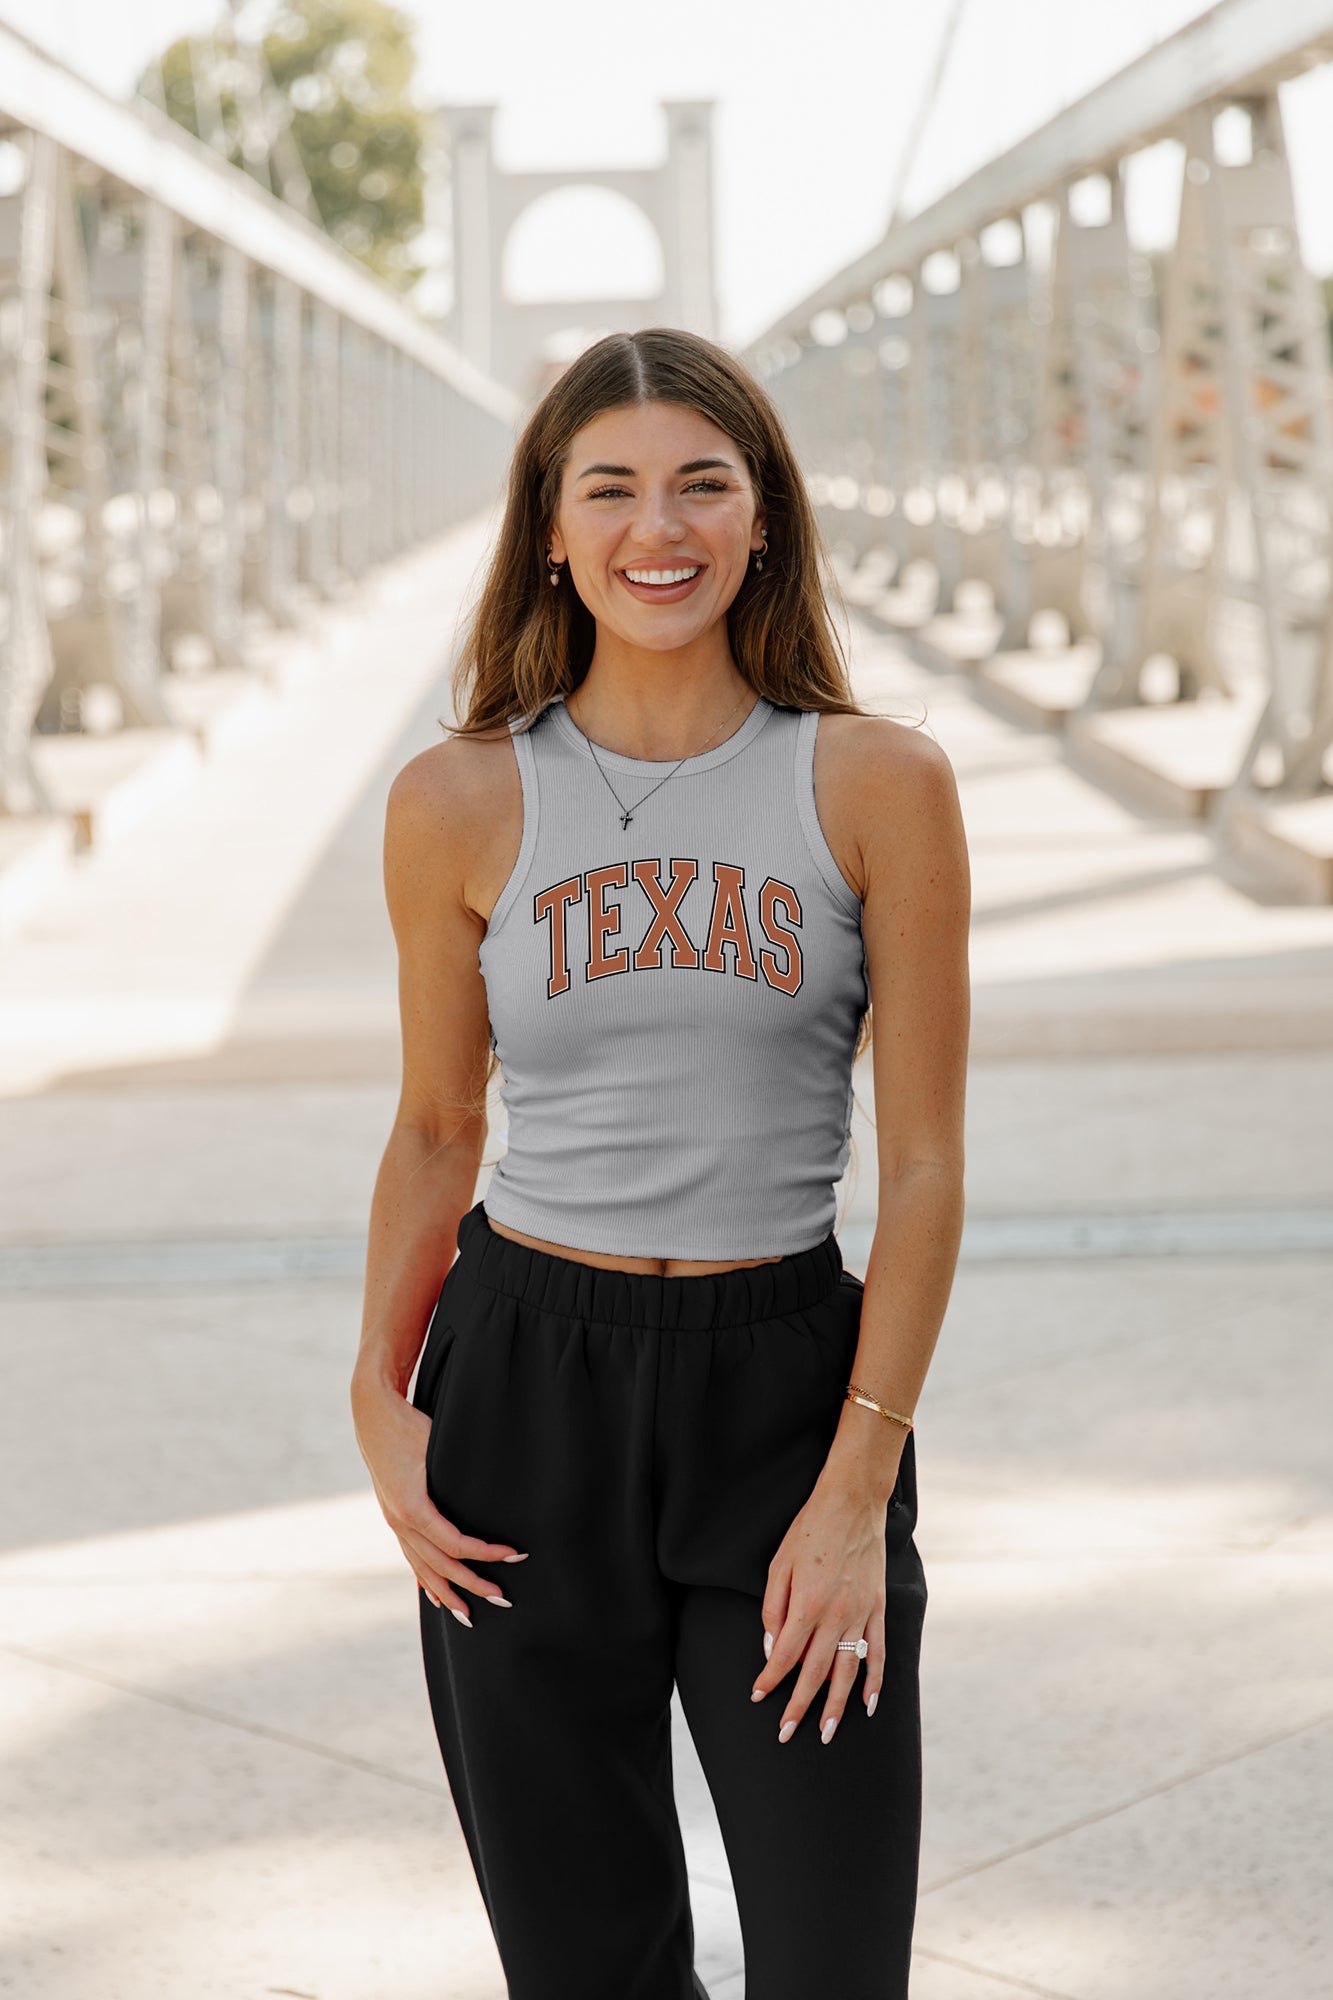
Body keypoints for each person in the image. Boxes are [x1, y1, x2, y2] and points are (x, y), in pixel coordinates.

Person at [350, 326, 970, 2000]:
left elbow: (917, 1166)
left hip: (782, 1391)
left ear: (762, 516)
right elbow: (433, 1128)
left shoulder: (875, 784)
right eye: (608, 487)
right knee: (586, 1968)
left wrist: (856, 1494)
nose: (658, 527)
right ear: (549, 530)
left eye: (703, 482)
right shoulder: (459, 800)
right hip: (521, 1392)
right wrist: (376, 1397)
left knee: (833, 1962)